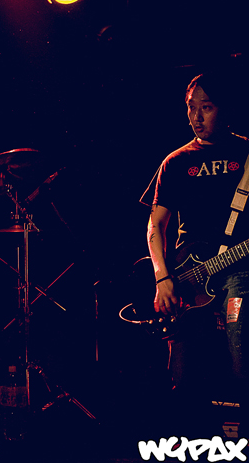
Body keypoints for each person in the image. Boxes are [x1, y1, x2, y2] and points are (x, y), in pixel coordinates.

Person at [142, 71, 249, 436]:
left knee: (241, 356)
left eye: (207, 107)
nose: (196, 117)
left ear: (225, 108)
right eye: (191, 107)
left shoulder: (245, 153)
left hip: (240, 269)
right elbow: (155, 225)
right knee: (183, 377)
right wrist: (162, 277)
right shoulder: (175, 162)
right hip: (188, 277)